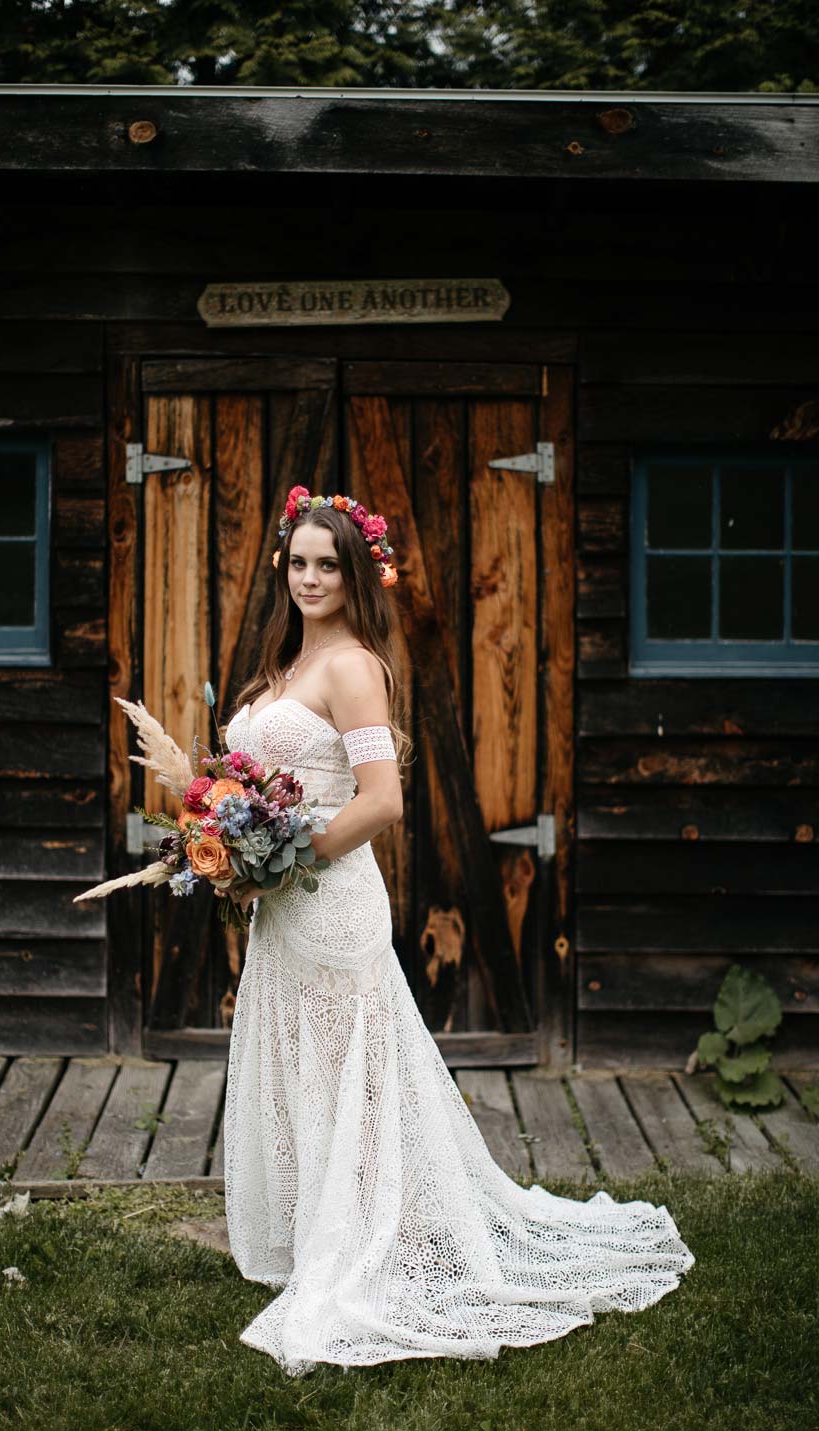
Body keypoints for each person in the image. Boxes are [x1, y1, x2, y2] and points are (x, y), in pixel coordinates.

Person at [218, 486, 692, 1376]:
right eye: (299, 563)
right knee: (304, 1070)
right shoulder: (283, 663)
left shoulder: (352, 666)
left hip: (328, 898)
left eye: (328, 565)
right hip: (283, 908)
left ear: (355, 575)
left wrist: (286, 856)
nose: (310, 578)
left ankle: (366, 1242)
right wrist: (233, 840)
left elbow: (382, 802)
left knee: (350, 1076)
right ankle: (320, 1227)